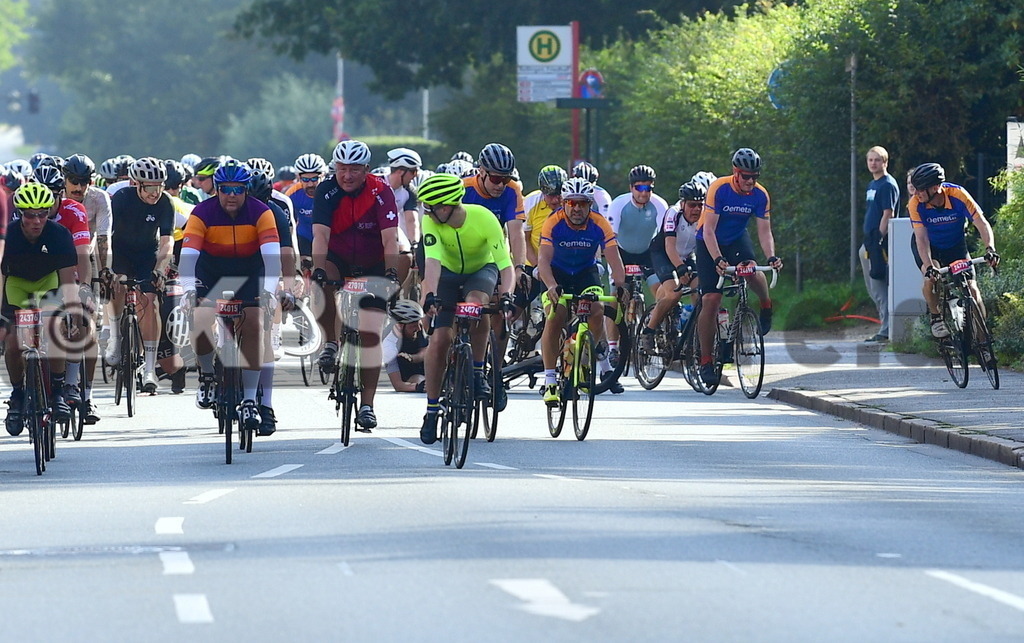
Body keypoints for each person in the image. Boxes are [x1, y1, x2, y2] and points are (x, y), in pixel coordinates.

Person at [179, 160, 281, 434]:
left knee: (254, 323)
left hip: (250, 272)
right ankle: (207, 375)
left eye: (238, 189)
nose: (231, 195)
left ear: (246, 190)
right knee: (199, 317)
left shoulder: (261, 212)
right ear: (217, 189)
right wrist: (188, 290)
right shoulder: (202, 212)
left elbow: (272, 259)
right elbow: (188, 257)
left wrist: (269, 293)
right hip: (211, 272)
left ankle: (249, 399)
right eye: (225, 189)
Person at [415, 173, 514, 444]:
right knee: (440, 339)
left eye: (431, 207)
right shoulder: (430, 221)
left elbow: (505, 264)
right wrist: (430, 296)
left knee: (476, 304)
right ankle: (432, 410)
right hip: (446, 273)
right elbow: (432, 263)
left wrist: (507, 295)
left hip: (481, 269)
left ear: (447, 206)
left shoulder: (484, 218)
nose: (427, 212)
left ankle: (478, 371)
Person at [311, 139, 401, 431]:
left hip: (373, 260)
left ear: (366, 169)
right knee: (320, 283)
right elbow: (321, 236)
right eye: (341, 168)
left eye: (354, 169)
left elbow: (390, 238)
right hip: (338, 256)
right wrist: (319, 269)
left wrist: (390, 272)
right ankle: (330, 342)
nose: (347, 175)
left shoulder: (381, 191)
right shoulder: (326, 190)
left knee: (371, 333)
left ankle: (367, 405)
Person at [695, 148, 783, 387]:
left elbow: (764, 231)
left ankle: (766, 305)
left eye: (755, 176)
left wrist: (771, 256)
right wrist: (717, 260)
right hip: (708, 240)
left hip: (736, 238)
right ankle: (705, 361)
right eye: (746, 176)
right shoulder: (719, 189)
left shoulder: (760, 195)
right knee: (711, 299)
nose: (750, 181)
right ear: (735, 172)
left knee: (751, 270)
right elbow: (708, 230)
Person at [537, 178, 626, 406]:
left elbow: (615, 260)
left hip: (585, 272)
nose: (577, 208)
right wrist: (551, 285)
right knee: (555, 316)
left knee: (596, 309)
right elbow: (543, 261)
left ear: (590, 205)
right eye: (572, 203)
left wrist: (620, 285)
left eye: (583, 203)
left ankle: (586, 355)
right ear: (564, 203)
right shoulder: (553, 222)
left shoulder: (600, 224)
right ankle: (550, 380)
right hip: (556, 274)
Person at [3, 183, 82, 434]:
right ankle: (17, 394)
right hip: (16, 285)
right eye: (30, 215)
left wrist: (72, 314)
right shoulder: (8, 236)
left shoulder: (59, 235)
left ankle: (57, 391)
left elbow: (67, 281)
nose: (36, 221)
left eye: (42, 214)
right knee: (14, 341)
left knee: (53, 328)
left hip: (47, 283)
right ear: (19, 214)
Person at [105, 157, 175, 393]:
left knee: (151, 301)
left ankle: (149, 368)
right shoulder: (121, 199)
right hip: (121, 252)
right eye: (150, 188)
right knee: (117, 287)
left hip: (147, 254)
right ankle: (115, 339)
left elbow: (167, 241)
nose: (155, 193)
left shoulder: (165, 202)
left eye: (159, 187)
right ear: (136, 184)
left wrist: (160, 268)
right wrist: (109, 267)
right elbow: (107, 235)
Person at [907, 163, 999, 338]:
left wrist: (990, 248)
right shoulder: (915, 204)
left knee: (972, 289)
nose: (916, 193)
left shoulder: (958, 195)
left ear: (935, 187)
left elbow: (981, 223)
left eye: (920, 189)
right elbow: (921, 239)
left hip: (955, 245)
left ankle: (983, 340)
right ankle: (936, 317)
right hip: (929, 245)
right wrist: (929, 266)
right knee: (931, 277)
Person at [640, 180, 705, 349]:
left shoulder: (705, 216)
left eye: (700, 205)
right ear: (682, 204)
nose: (696, 209)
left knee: (701, 292)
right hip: (663, 253)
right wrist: (680, 268)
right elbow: (669, 246)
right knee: (674, 293)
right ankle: (649, 330)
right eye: (692, 205)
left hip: (687, 255)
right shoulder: (673, 213)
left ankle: (695, 334)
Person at [860, 146, 899, 343]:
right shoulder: (872, 184)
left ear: (885, 162)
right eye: (870, 160)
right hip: (869, 241)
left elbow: (888, 213)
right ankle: (884, 326)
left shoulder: (887, 185)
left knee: (880, 285)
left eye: (877, 160)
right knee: (872, 287)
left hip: (879, 242)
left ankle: (887, 330)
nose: (873, 163)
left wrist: (879, 239)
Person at [381, 298, 428, 393]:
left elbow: (425, 352)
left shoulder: (418, 327)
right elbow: (398, 385)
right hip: (410, 375)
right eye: (414, 326)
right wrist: (419, 387)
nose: (419, 329)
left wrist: (412, 358)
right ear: (400, 326)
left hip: (425, 365)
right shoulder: (388, 345)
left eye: (419, 324)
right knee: (419, 379)